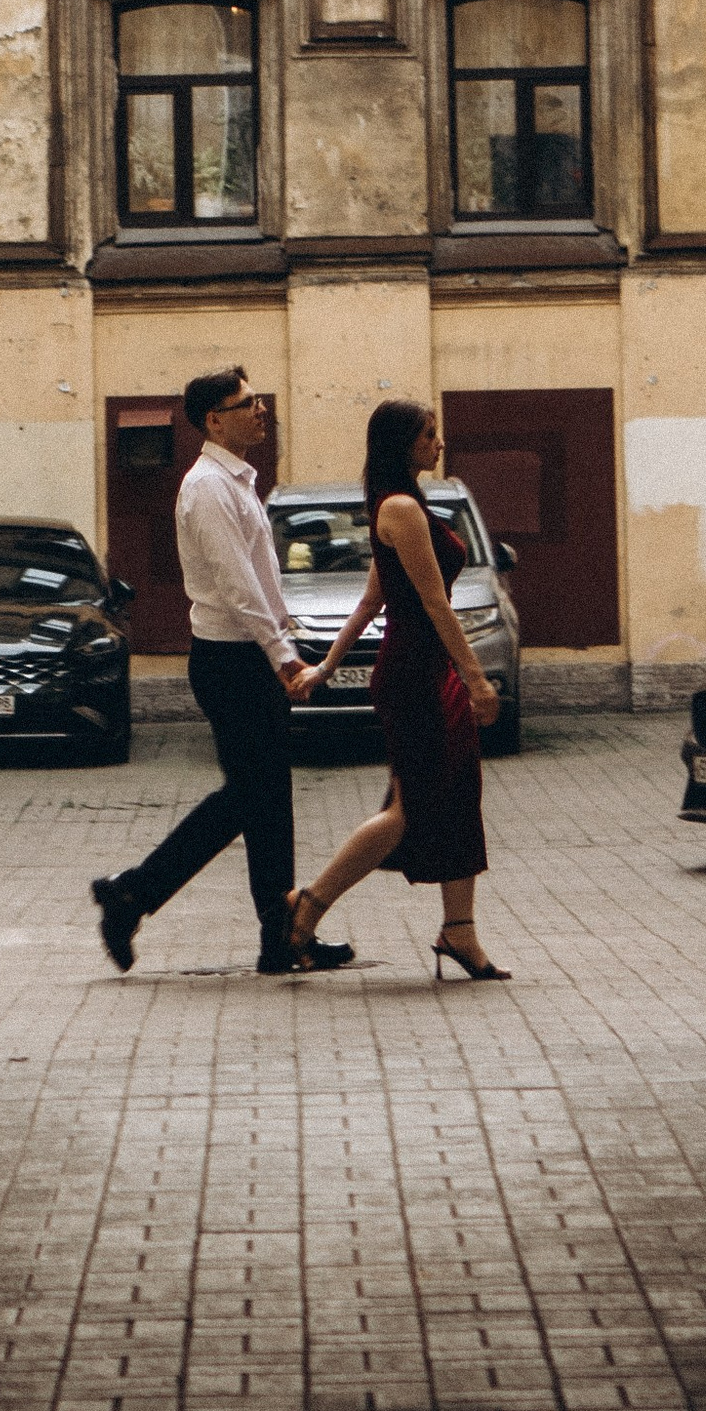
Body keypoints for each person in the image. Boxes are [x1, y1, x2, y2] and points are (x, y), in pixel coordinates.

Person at [89, 366, 355, 977]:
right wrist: (282, 655)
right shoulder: (207, 487)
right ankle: (133, 893)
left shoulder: (234, 482)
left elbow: (259, 575)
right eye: (246, 403)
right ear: (214, 419)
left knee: (266, 800)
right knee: (254, 797)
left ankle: (278, 935)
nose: (261, 409)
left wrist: (282, 638)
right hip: (231, 661)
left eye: (258, 400)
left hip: (245, 658)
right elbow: (237, 584)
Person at [288, 397, 509, 981]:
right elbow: (434, 604)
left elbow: (370, 598)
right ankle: (306, 907)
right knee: (407, 811)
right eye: (428, 434)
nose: (439, 444)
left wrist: (325, 667)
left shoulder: (404, 506)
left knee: (456, 794)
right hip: (417, 674)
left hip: (422, 670)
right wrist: (477, 677)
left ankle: (458, 931)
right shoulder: (402, 509)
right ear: (402, 443)